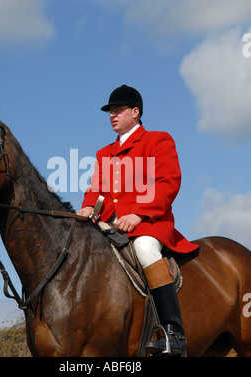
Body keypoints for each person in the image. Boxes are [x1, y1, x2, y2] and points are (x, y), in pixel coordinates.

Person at [77, 84, 199, 356]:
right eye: (110, 111)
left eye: (118, 110)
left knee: (144, 249)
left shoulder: (157, 140)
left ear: (136, 112)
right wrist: (87, 207)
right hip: (110, 225)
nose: (112, 115)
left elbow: (168, 183)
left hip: (149, 223)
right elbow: (96, 187)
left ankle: (173, 332)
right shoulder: (104, 153)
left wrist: (139, 213)